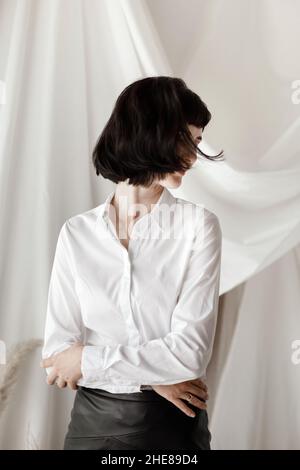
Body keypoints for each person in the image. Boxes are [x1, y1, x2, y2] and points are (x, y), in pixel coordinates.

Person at [41, 76, 224, 450]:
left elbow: (189, 355)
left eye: (198, 142)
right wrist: (155, 376)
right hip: (90, 426)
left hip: (171, 423)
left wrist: (89, 363)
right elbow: (58, 356)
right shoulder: (77, 233)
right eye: (183, 141)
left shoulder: (198, 227)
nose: (192, 157)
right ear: (146, 134)